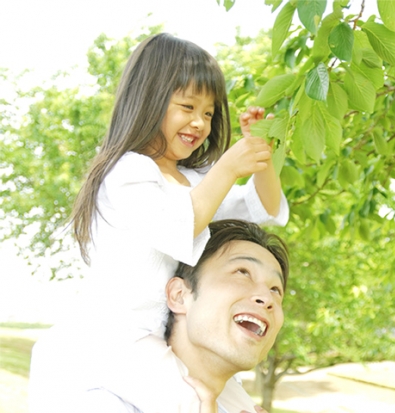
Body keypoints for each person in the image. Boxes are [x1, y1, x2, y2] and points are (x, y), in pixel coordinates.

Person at [29, 33, 288, 413]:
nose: (199, 123)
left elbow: (262, 209)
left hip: (166, 337)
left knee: (243, 407)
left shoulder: (195, 179)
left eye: (210, 113)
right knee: (191, 405)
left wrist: (261, 155)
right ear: (148, 99)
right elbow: (178, 227)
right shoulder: (127, 172)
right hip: (118, 335)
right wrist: (230, 166)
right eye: (187, 106)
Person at [68, 220, 289, 413]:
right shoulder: (104, 402)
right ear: (179, 295)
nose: (267, 298)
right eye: (243, 272)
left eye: (275, 290)